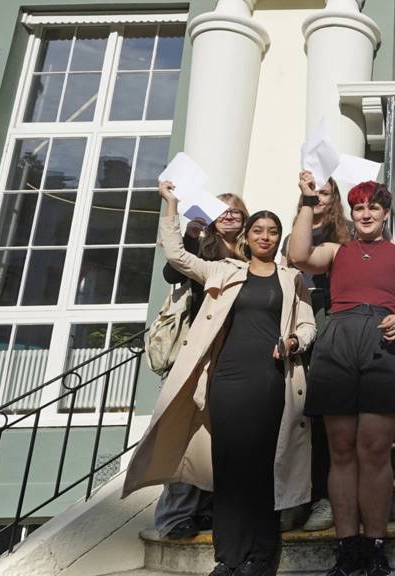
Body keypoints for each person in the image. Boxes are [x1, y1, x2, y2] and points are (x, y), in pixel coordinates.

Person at [123, 181, 316, 576]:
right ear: (247, 236)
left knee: (264, 469)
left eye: (272, 231)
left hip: (271, 381)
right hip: (226, 381)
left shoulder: (290, 279)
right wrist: (172, 205)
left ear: (279, 238)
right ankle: (228, 558)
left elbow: (309, 324)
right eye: (258, 230)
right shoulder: (223, 270)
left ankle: (261, 558)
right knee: (228, 470)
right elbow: (176, 255)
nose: (265, 236)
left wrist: (295, 340)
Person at [288, 175, 395, 576]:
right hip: (340, 341)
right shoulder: (334, 251)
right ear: (351, 212)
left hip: (384, 344)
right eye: (359, 207)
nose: (365, 214)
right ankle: (347, 548)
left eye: (373, 207)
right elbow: (297, 254)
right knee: (341, 450)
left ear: (385, 213)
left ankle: (375, 545)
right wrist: (308, 199)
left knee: (375, 450)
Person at [154, 194, 248, 540]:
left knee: (222, 435)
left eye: (235, 211)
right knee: (187, 431)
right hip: (198, 350)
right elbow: (170, 269)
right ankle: (176, 516)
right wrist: (188, 232)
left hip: (237, 352)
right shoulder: (201, 248)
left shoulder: (252, 253)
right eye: (221, 211)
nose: (229, 216)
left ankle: (209, 509)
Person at [280, 176, 351, 533]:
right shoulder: (294, 230)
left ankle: (323, 497)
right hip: (295, 321)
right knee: (293, 419)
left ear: (335, 197)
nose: (319, 197)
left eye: (325, 192)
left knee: (322, 419)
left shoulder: (347, 233)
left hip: (329, 321)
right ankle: (295, 497)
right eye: (313, 192)